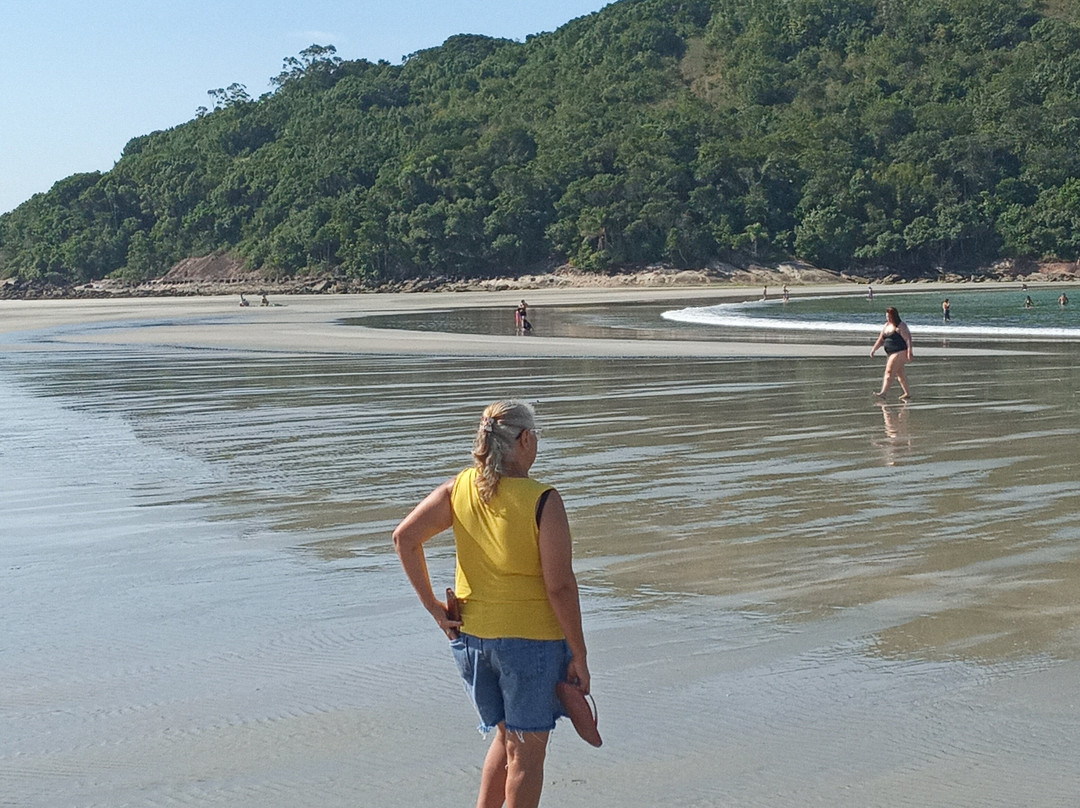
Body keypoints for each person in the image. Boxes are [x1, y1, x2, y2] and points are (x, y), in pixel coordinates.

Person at [393, 400, 590, 808]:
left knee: (507, 739)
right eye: (535, 435)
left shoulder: (460, 487)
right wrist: (580, 652)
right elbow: (560, 587)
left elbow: (404, 538)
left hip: (474, 644)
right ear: (523, 440)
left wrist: (433, 607)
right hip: (531, 644)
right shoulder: (543, 500)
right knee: (527, 756)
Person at [870, 307, 913, 400]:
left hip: (900, 351)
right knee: (900, 374)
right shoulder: (886, 326)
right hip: (890, 353)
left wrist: (909, 352)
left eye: (889, 316)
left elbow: (908, 339)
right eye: (887, 316)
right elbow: (881, 339)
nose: (888, 318)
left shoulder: (901, 326)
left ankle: (883, 393)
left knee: (889, 371)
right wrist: (874, 349)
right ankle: (907, 393)